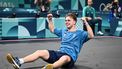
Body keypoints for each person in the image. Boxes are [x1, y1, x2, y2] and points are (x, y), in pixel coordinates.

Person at [6, 13, 94, 69]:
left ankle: (48, 68)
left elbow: (91, 35)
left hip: (70, 57)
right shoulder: (64, 31)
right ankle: (19, 61)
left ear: (74, 22)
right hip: (59, 53)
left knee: (64, 58)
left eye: (69, 20)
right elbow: (52, 29)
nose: (66, 22)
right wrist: (50, 20)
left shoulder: (80, 33)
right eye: (65, 20)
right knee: (40, 52)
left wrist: (85, 22)